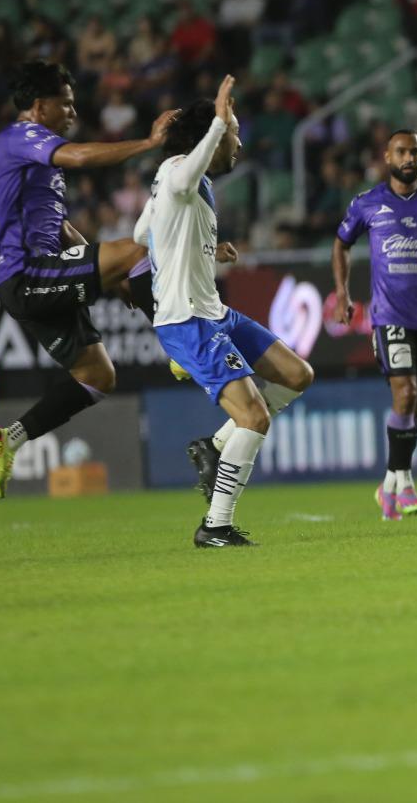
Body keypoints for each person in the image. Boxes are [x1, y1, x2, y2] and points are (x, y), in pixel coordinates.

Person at [0, 61, 176, 499]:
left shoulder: (35, 158)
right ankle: (179, 347)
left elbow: (62, 228)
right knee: (137, 251)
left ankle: (7, 439)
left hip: (37, 276)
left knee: (97, 376)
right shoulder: (21, 137)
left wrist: (110, 274)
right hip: (29, 274)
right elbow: (83, 155)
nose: (72, 111)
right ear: (40, 106)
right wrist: (149, 142)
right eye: (64, 104)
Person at [135, 77, 314, 548]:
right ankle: (214, 526)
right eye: (233, 131)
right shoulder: (178, 173)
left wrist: (204, 249)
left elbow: (140, 235)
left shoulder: (185, 185)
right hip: (188, 320)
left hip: (215, 311)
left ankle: (214, 447)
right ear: (209, 136)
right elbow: (179, 185)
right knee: (254, 418)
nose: (238, 140)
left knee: (298, 374)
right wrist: (218, 118)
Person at [332, 130, 417, 520]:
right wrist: (342, 292)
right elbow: (341, 243)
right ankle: (405, 484)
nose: (409, 158)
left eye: (416, 152)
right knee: (404, 394)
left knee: (416, 404)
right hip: (389, 315)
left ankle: (388, 483)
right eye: (403, 151)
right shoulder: (367, 203)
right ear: (387, 155)